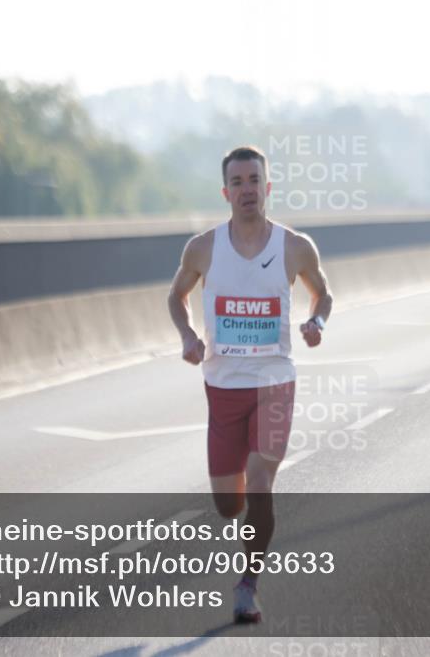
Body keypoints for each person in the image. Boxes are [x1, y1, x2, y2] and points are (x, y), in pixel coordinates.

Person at [167, 145, 333, 624]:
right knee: (227, 504)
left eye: (254, 181)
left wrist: (316, 320)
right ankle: (239, 508)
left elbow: (323, 291)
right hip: (222, 386)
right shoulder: (202, 247)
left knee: (260, 483)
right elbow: (175, 296)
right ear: (226, 192)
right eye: (237, 183)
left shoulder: (295, 246)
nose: (246, 190)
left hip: (274, 381)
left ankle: (248, 585)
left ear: (268, 187)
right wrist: (187, 335)